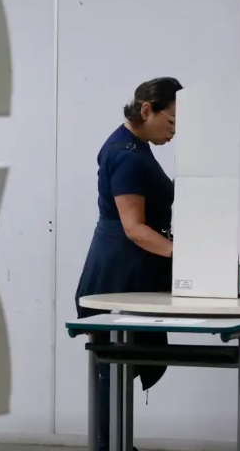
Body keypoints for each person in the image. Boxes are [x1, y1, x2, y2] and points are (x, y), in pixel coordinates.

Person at [75, 77, 182, 451]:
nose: (174, 130)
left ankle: (117, 444)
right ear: (147, 110)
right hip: (117, 275)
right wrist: (184, 255)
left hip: (126, 270)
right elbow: (134, 229)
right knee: (111, 368)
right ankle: (109, 446)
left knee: (118, 368)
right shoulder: (127, 155)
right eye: (170, 121)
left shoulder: (135, 146)